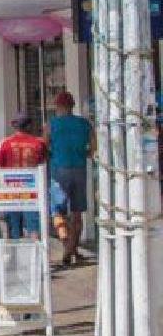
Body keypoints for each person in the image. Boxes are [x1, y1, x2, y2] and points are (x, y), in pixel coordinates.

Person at [46, 92, 94, 265]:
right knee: (77, 213)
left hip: (59, 170)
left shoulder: (51, 125)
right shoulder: (85, 124)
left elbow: (45, 147)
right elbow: (92, 148)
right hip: (79, 169)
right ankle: (73, 248)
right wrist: (82, 153)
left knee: (57, 211)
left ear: (59, 107)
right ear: (72, 106)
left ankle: (67, 246)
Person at [0, 112, 48, 239]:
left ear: (15, 126)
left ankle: (16, 255)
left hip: (11, 192)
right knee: (34, 226)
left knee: (13, 227)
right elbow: (43, 163)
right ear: (29, 126)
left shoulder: (5, 143)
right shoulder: (38, 143)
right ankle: (36, 256)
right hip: (32, 191)